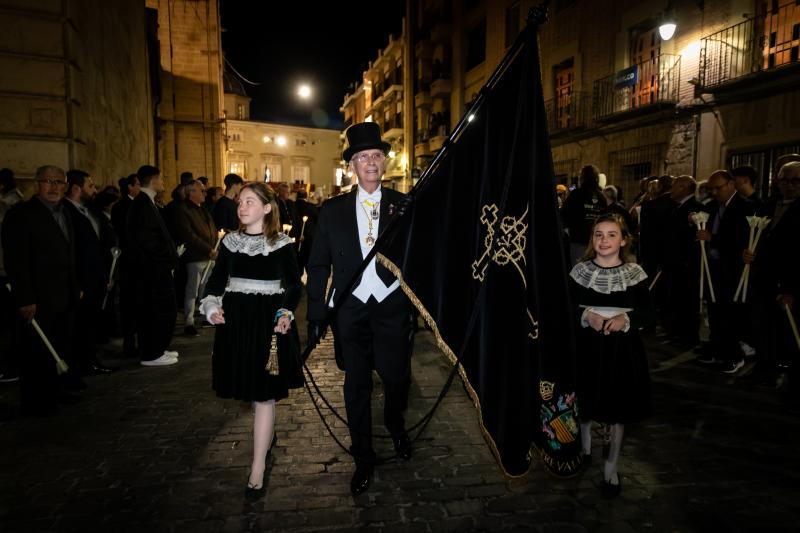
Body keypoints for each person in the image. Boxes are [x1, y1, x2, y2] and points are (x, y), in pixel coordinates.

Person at [306, 121, 413, 496]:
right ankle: (363, 456)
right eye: (362, 156)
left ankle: (396, 425)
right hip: (350, 308)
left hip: (392, 304)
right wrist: (316, 313)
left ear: (384, 163)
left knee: (398, 377)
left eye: (376, 156)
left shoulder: (404, 205)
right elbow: (318, 263)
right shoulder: (332, 211)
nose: (370, 162)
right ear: (351, 165)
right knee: (357, 384)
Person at [199, 182, 303, 501]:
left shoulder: (282, 243)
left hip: (268, 324)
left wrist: (285, 313)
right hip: (237, 324)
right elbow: (215, 283)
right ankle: (264, 441)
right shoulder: (230, 243)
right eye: (239, 202)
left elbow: (292, 285)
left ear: (267, 208)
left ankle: (257, 466)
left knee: (263, 396)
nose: (241, 207)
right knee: (250, 390)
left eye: (249, 202)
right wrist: (213, 307)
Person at [569, 214, 654, 498]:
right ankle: (585, 447)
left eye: (611, 234)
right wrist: (585, 315)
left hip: (622, 350)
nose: (604, 240)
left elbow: (649, 313)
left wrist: (625, 320)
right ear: (592, 239)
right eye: (598, 234)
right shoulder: (579, 272)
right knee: (585, 398)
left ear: (624, 240)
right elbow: (563, 309)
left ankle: (611, 468)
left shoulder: (635, 274)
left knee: (618, 408)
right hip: (587, 347)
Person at [1, 165, 81, 416]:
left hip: (63, 293)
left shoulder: (65, 212)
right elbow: (16, 260)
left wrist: (75, 285)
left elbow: (69, 253)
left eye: (59, 182)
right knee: (35, 349)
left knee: (58, 343)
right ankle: (36, 401)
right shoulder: (21, 215)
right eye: (48, 181)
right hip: (36, 296)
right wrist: (25, 298)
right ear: (37, 183)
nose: (54, 187)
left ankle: (55, 391)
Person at [694, 170, 756, 374]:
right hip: (713, 267)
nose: (714, 192)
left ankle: (733, 354)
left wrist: (712, 238)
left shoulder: (745, 207)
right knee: (714, 311)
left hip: (733, 269)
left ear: (731, 184)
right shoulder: (711, 207)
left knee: (730, 313)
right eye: (711, 188)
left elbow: (741, 240)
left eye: (718, 188)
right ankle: (716, 348)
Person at [62, 170, 116, 375]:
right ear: (76, 188)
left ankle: (89, 359)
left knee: (90, 323)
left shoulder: (89, 210)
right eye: (90, 185)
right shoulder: (67, 211)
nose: (94, 190)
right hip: (82, 280)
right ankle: (81, 364)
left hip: (96, 276)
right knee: (80, 326)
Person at [126, 165, 180, 367]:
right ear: (153, 180)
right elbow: (148, 240)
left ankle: (158, 348)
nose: (163, 181)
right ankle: (152, 353)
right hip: (153, 270)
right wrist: (168, 257)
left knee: (162, 310)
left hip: (156, 269)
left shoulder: (147, 202)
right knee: (157, 311)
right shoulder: (141, 204)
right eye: (161, 178)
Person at [175, 179, 217, 336]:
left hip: (209, 256)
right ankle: (189, 322)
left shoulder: (203, 209)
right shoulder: (183, 210)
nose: (205, 193)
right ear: (191, 192)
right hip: (195, 256)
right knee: (192, 289)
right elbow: (188, 235)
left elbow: (211, 229)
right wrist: (208, 249)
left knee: (206, 289)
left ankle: (206, 316)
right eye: (202, 190)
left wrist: (214, 248)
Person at [111, 174, 141, 358]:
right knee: (129, 305)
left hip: (137, 261)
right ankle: (129, 343)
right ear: (130, 187)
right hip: (129, 262)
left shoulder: (137, 205)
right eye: (137, 185)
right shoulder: (121, 207)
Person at [561, 164, 607, 264]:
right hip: (597, 241)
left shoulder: (576, 194)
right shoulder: (602, 197)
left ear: (583, 177)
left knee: (579, 272)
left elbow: (565, 214)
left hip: (579, 240)